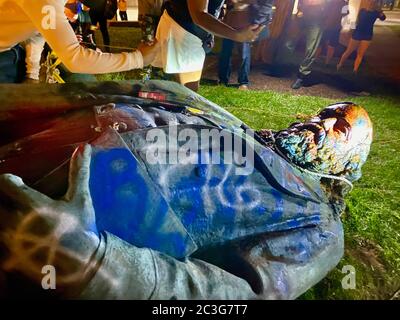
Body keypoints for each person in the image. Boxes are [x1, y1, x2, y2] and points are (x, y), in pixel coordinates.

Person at [0, 81, 372, 299]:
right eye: (323, 113)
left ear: (347, 166)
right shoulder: (239, 129)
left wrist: (91, 260)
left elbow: (237, 294)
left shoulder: (318, 224)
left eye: (340, 128)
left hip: (48, 221)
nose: (321, 123)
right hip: (36, 142)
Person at [0, 0, 158, 84]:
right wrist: (138, 59)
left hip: (10, 52)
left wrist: (31, 73)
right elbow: (74, 59)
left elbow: (36, 31)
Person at [152, 0, 274, 91]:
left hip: (189, 31)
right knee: (186, 96)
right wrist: (236, 35)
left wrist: (211, 32)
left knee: (180, 94)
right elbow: (198, 14)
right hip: (183, 31)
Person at [218, 0, 267, 90]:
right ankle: (223, 80)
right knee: (225, 54)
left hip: (245, 24)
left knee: (244, 55)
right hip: (229, 22)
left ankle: (243, 82)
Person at [280, 0, 327, 90]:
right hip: (302, 16)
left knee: (311, 49)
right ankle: (283, 66)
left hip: (317, 19)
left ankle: (302, 75)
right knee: (288, 42)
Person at [337, 0, 386, 73]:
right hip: (358, 33)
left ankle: (355, 70)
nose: (371, 2)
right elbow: (356, 22)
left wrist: (380, 12)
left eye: (373, 1)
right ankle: (340, 64)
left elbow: (383, 18)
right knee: (349, 51)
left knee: (360, 54)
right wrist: (351, 31)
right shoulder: (362, 10)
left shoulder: (377, 12)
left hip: (367, 35)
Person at [316, 0, 348, 65]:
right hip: (335, 26)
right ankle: (326, 62)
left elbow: (323, 12)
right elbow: (344, 14)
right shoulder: (344, 4)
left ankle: (315, 59)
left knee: (321, 44)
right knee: (331, 45)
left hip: (327, 26)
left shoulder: (330, 2)